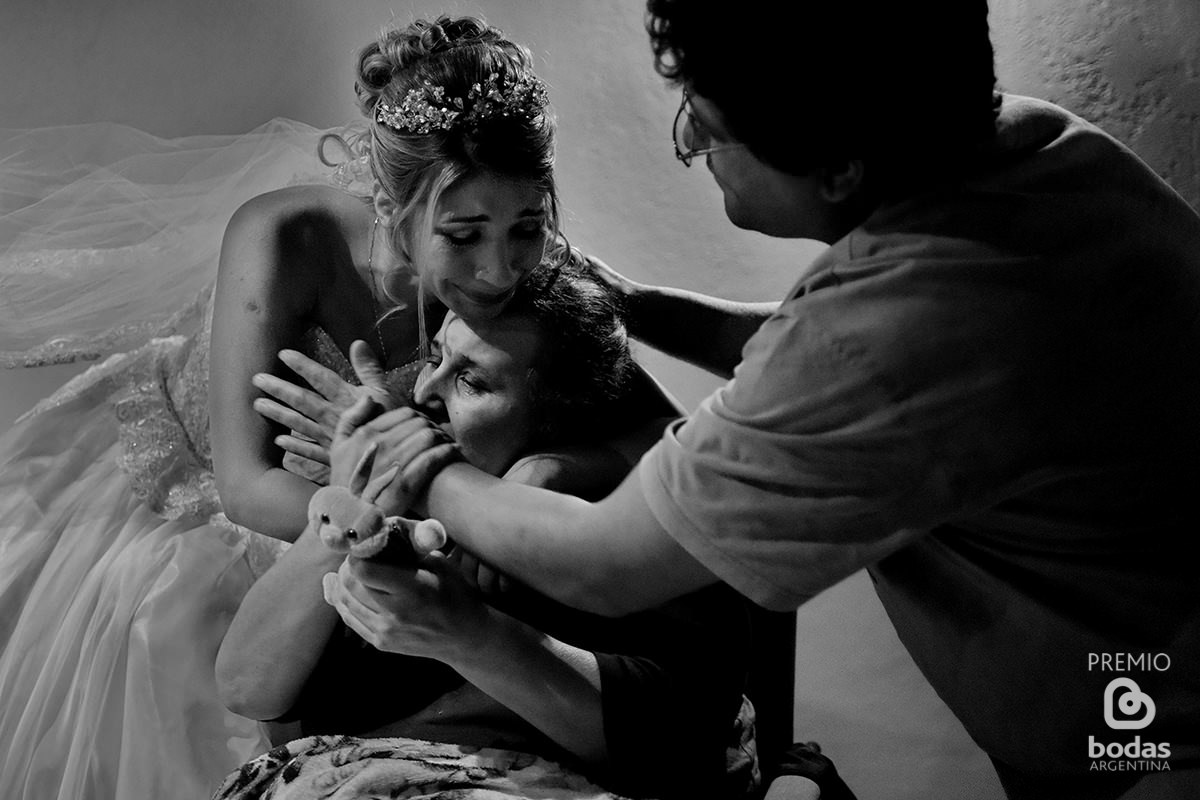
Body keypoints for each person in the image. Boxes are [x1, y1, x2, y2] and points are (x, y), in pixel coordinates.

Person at [317, 2, 1200, 798]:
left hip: (1153, 738)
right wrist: (633, 303)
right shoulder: (1029, 149)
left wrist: (414, 462)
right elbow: (817, 342)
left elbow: (603, 566)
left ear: (840, 168)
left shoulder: (885, 338)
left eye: (705, 130)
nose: (695, 150)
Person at [0, 14, 659, 800]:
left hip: (384, 506)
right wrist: (401, 502)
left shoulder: (535, 265)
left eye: (525, 226)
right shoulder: (286, 233)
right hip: (214, 504)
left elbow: (653, 432)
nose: (499, 269)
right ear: (391, 202)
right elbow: (246, 486)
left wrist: (543, 468)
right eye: (463, 233)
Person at [217, 261, 756, 800]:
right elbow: (247, 688)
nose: (425, 391)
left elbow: (676, 745)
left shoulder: (627, 525)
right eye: (435, 357)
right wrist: (345, 511)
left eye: (471, 381)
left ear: (559, 416)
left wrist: (466, 635)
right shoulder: (393, 506)